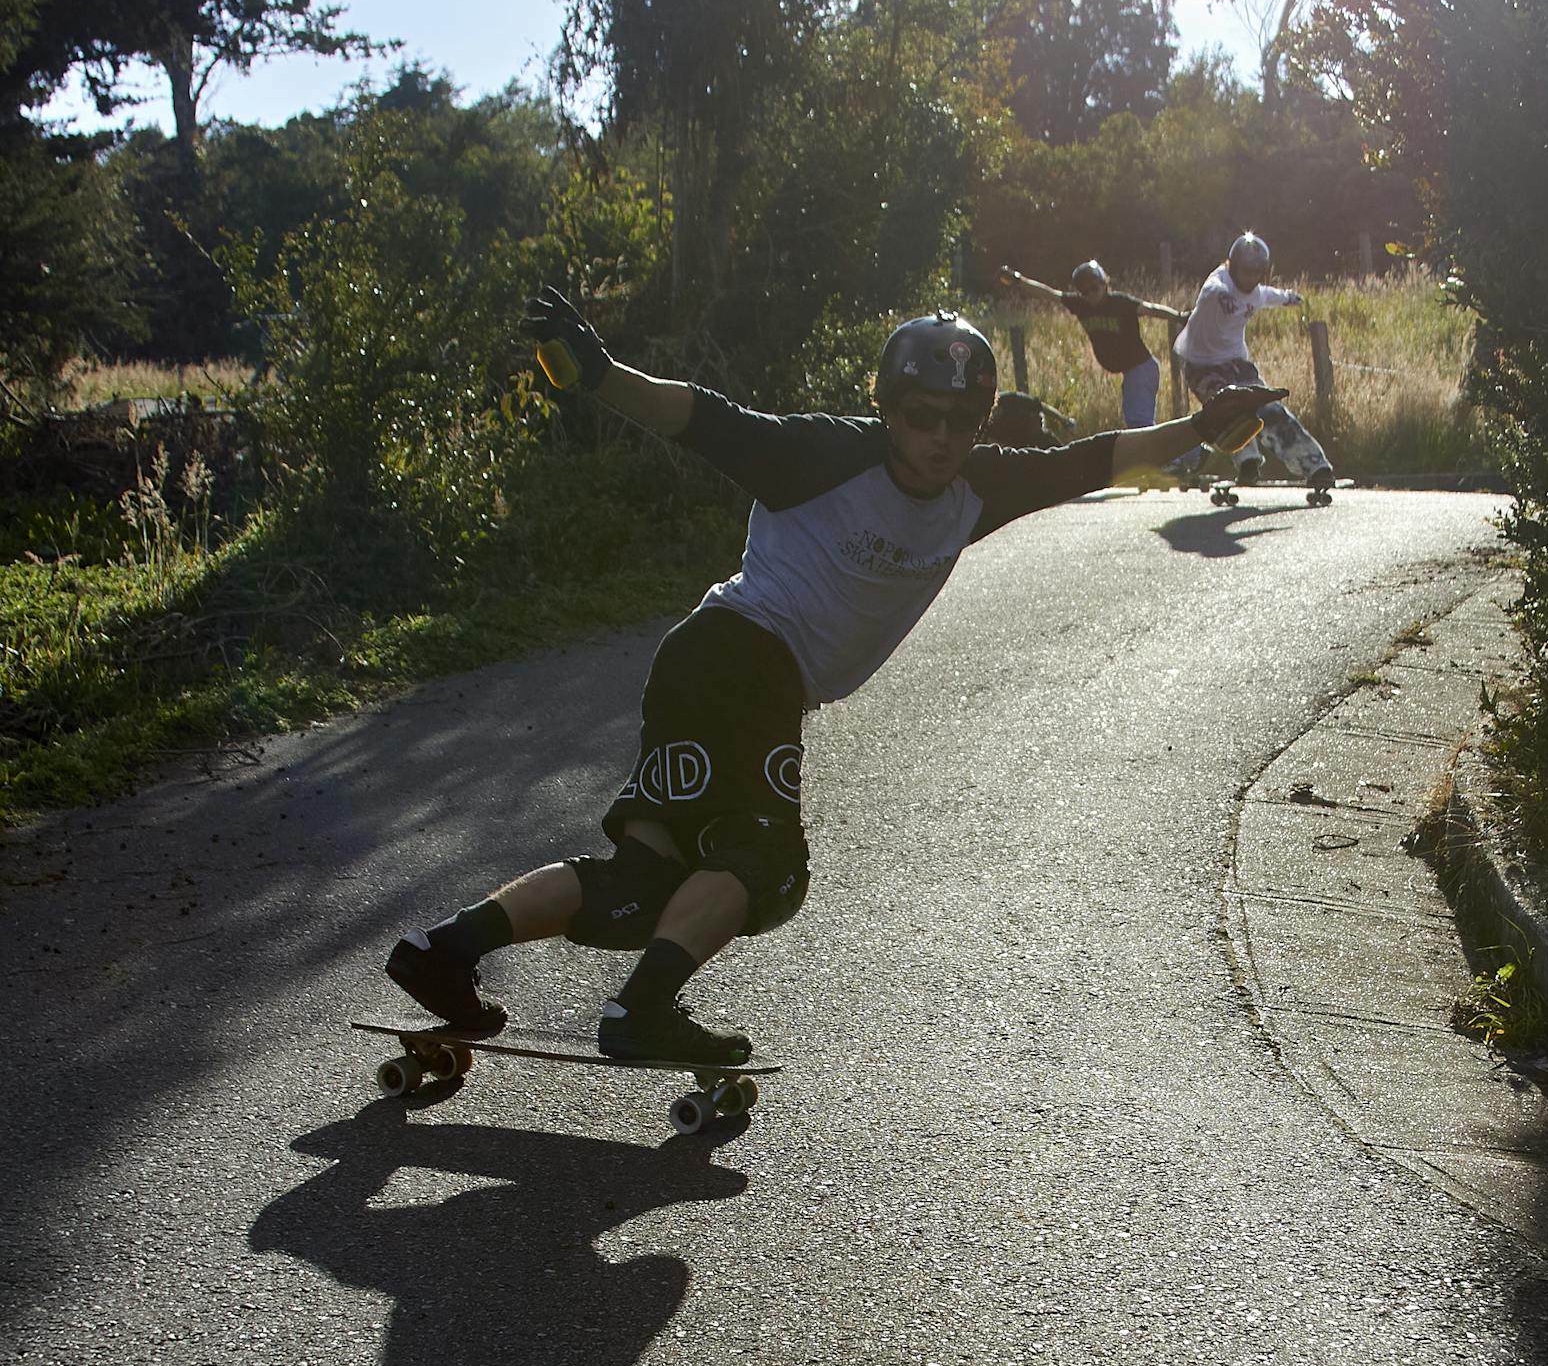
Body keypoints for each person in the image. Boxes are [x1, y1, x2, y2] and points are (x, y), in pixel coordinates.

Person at [383, 299, 1283, 1067]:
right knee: (765, 869)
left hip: (713, 663)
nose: (937, 440)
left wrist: (1203, 429)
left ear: (983, 419)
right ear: (886, 407)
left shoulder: (981, 486)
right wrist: (601, 372)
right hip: (740, 656)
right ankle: (641, 1013)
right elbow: (699, 419)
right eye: (919, 415)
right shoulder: (820, 455)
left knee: (642, 883)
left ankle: (444, 951)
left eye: (959, 421)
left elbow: (1101, 458)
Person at [1175, 233, 1337, 503]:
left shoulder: (1257, 292)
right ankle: (1248, 461)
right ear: (1233, 266)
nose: (1250, 279)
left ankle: (1314, 465)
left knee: (1271, 409)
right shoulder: (1218, 284)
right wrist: (1222, 295)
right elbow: (1211, 288)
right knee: (1231, 410)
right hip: (1202, 366)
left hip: (1237, 363)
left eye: (1256, 273)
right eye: (1245, 272)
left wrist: (1289, 298)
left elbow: (1268, 295)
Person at [999, 258, 1185, 429]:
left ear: (1105, 284)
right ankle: (1183, 457)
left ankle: (1181, 458)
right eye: (1084, 291)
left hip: (1141, 369)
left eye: (1094, 288)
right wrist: (1018, 280)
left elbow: (1151, 309)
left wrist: (1179, 317)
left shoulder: (1119, 303)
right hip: (1132, 372)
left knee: (1140, 425)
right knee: (1138, 424)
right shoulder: (1081, 305)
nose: (1090, 295)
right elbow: (1049, 294)